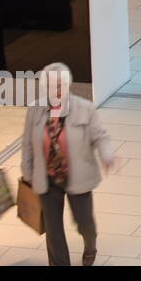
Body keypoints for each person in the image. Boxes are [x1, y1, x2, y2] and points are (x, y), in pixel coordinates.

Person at [20, 63, 114, 266]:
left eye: (60, 86)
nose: (56, 91)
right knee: (53, 230)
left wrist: (107, 155)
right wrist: (27, 171)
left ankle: (90, 244)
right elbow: (27, 143)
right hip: (47, 178)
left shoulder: (84, 108)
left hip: (78, 175)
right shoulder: (35, 110)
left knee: (84, 222)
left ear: (68, 85)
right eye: (51, 86)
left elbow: (100, 136)